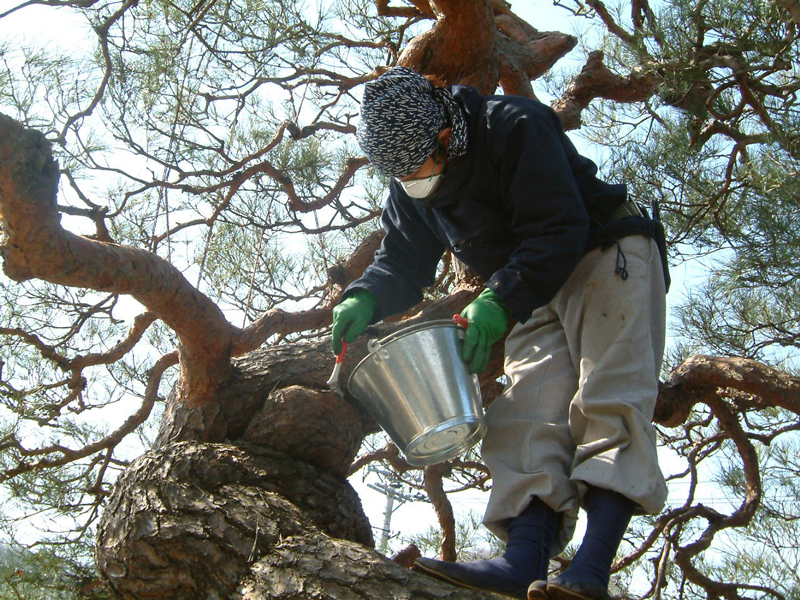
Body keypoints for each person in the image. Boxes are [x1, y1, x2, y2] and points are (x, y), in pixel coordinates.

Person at [331, 66, 669, 600]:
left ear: (445, 134)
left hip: (604, 254)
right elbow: (401, 263)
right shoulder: (410, 188)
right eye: (400, 174)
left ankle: (589, 573)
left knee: (610, 397)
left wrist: (497, 300)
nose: (414, 181)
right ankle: (522, 564)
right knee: (523, 415)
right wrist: (365, 295)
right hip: (527, 288)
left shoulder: (512, 125)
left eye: (418, 165)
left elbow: (559, 227)